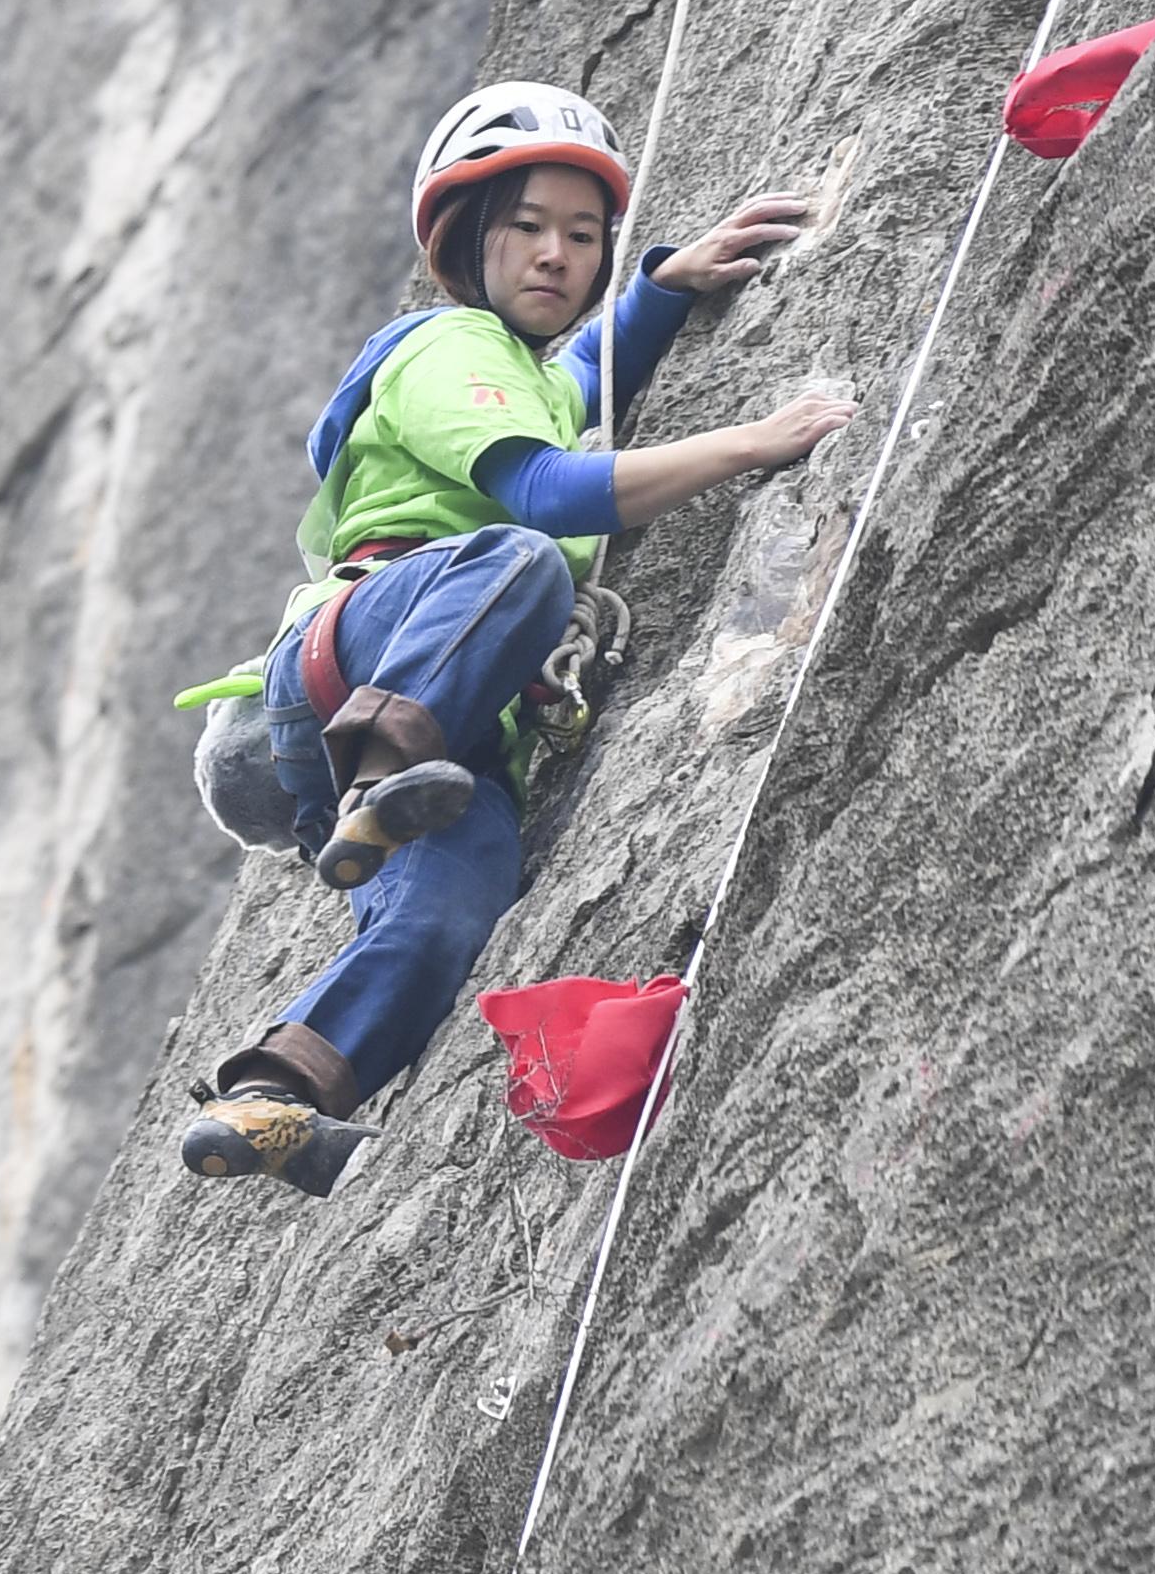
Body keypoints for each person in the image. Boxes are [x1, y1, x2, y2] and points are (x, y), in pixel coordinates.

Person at [181, 79, 853, 1198]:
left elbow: (574, 387)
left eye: (583, 237)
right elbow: (541, 485)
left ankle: (278, 1091)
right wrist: (749, 443)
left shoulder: (525, 371)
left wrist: (656, 292)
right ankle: (378, 783)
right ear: (466, 240)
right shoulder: (441, 346)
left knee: (454, 902)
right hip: (365, 657)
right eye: (528, 228)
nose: (557, 255)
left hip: (431, 739)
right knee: (520, 561)